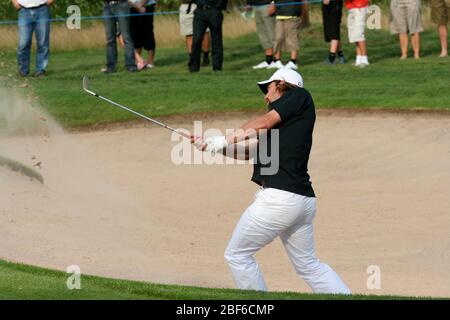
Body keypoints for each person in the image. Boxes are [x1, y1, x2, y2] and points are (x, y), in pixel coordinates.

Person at [192, 68, 351, 294]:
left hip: (280, 198)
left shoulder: (298, 96)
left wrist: (222, 139)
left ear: (281, 83)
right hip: (300, 201)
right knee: (309, 266)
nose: (265, 97)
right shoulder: (284, 125)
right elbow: (249, 153)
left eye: (267, 89)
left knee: (237, 255)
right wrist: (212, 146)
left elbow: (264, 122)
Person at [12, 0, 54, 77]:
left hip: (42, 9)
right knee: (23, 43)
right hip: (23, 10)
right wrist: (14, 2)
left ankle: (40, 70)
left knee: (43, 42)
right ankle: (22, 71)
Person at [188, 0, 228, 73]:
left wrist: (218, 7)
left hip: (214, 11)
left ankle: (217, 68)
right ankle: (193, 68)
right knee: (196, 40)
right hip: (200, 11)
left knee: (216, 41)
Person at [102, 0, 137, 73]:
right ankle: (111, 67)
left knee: (126, 38)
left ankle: (131, 66)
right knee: (110, 40)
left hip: (121, 5)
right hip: (107, 6)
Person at [271, 0, 307, 70]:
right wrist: (272, 3)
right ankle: (277, 61)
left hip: (292, 14)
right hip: (279, 14)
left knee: (292, 38)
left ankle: (293, 62)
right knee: (278, 38)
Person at [246, 0, 276, 69]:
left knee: (272, 34)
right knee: (263, 35)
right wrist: (248, 3)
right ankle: (269, 61)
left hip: (267, 5)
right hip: (256, 7)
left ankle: (277, 61)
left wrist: (273, 3)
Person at [179, 0, 211, 66]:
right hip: (186, 6)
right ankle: (193, 59)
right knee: (189, 33)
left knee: (204, 32)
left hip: (200, 4)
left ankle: (205, 57)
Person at [129, 0, 156, 70]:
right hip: (132, 7)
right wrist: (136, 6)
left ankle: (150, 62)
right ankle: (138, 62)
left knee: (148, 33)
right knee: (135, 34)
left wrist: (140, 4)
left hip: (146, 5)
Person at [345, 0, 369, 67]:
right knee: (354, 35)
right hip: (351, 7)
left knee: (359, 33)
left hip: (359, 7)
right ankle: (359, 59)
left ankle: (365, 60)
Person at [322, 0, 346, 65]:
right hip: (326, 5)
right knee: (330, 31)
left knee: (334, 31)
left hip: (334, 5)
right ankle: (341, 55)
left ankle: (331, 58)